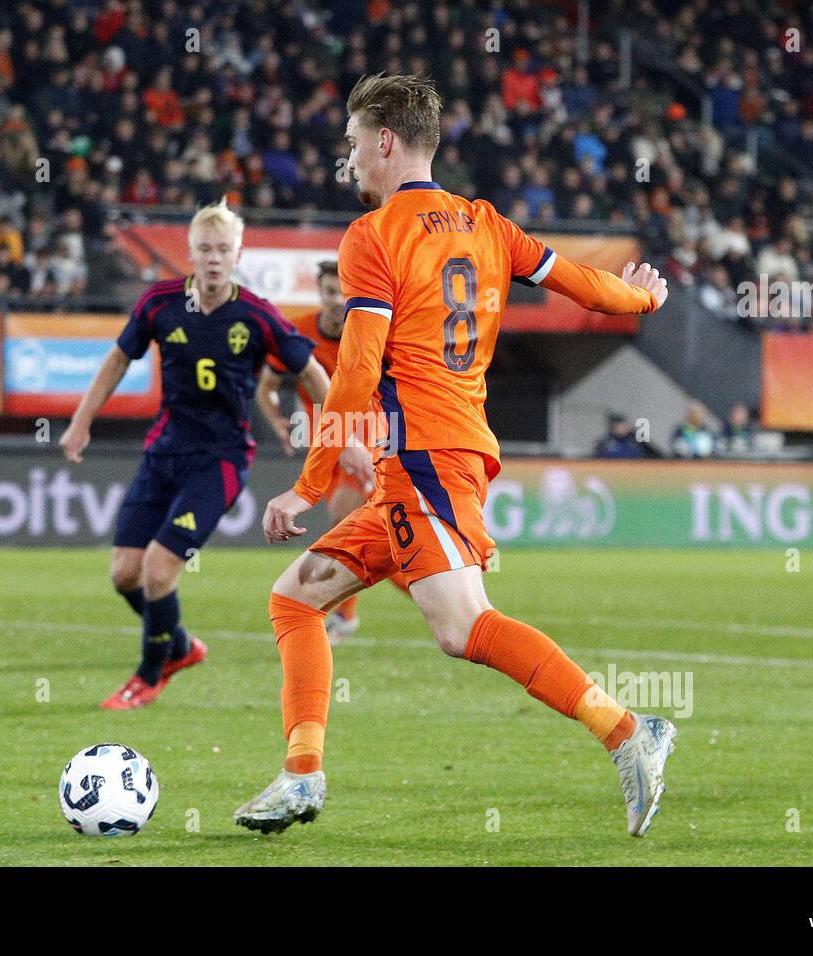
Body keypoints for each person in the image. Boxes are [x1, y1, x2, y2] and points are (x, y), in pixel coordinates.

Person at [234, 74, 676, 838]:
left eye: (350, 145)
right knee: (296, 599)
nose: (349, 162)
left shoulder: (373, 237)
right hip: (435, 457)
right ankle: (301, 776)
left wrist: (308, 487)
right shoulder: (486, 224)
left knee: (462, 627)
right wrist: (642, 297)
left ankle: (628, 732)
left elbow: (356, 372)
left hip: (429, 458)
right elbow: (585, 288)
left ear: (383, 142)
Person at [58, 199, 339, 710]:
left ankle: (148, 675)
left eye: (223, 249)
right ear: (190, 253)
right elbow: (120, 356)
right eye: (205, 249)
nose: (214, 258)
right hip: (164, 451)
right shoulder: (159, 303)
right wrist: (81, 422)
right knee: (125, 573)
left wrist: (351, 430)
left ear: (238, 254)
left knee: (159, 571)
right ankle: (181, 647)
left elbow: (313, 372)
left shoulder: (255, 314)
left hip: (221, 460)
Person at [254, 259, 389, 643]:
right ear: (320, 293)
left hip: (364, 435)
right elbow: (265, 387)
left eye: (345, 292)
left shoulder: (371, 331)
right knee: (370, 530)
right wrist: (278, 422)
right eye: (331, 292)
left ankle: (342, 615)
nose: (338, 300)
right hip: (322, 441)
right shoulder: (300, 333)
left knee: (344, 512)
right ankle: (425, 580)